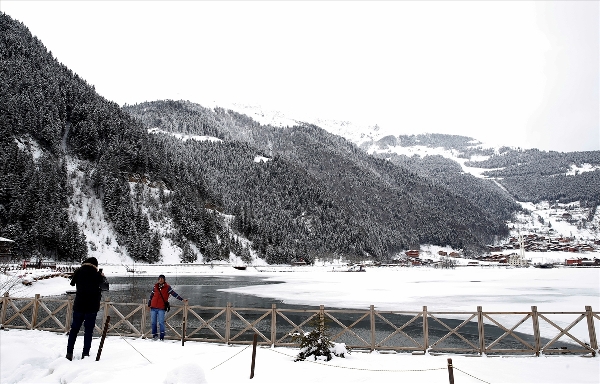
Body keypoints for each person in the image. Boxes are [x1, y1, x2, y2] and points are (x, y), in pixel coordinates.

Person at [66, 257, 109, 360]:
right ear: (95, 265)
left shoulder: (79, 272)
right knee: (88, 331)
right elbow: (105, 287)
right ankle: (85, 354)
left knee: (74, 330)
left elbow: (72, 283)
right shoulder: (97, 274)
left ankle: (69, 352)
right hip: (91, 306)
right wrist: (102, 277)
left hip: (79, 305)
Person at [148, 274, 187, 341]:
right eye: (159, 279)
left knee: (161, 323)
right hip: (153, 307)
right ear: (158, 279)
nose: (160, 280)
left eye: (162, 279)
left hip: (161, 308)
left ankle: (162, 337)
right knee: (153, 322)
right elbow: (151, 296)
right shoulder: (155, 287)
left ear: (164, 280)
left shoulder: (167, 287)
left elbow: (174, 294)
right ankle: (154, 336)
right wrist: (149, 305)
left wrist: (182, 299)